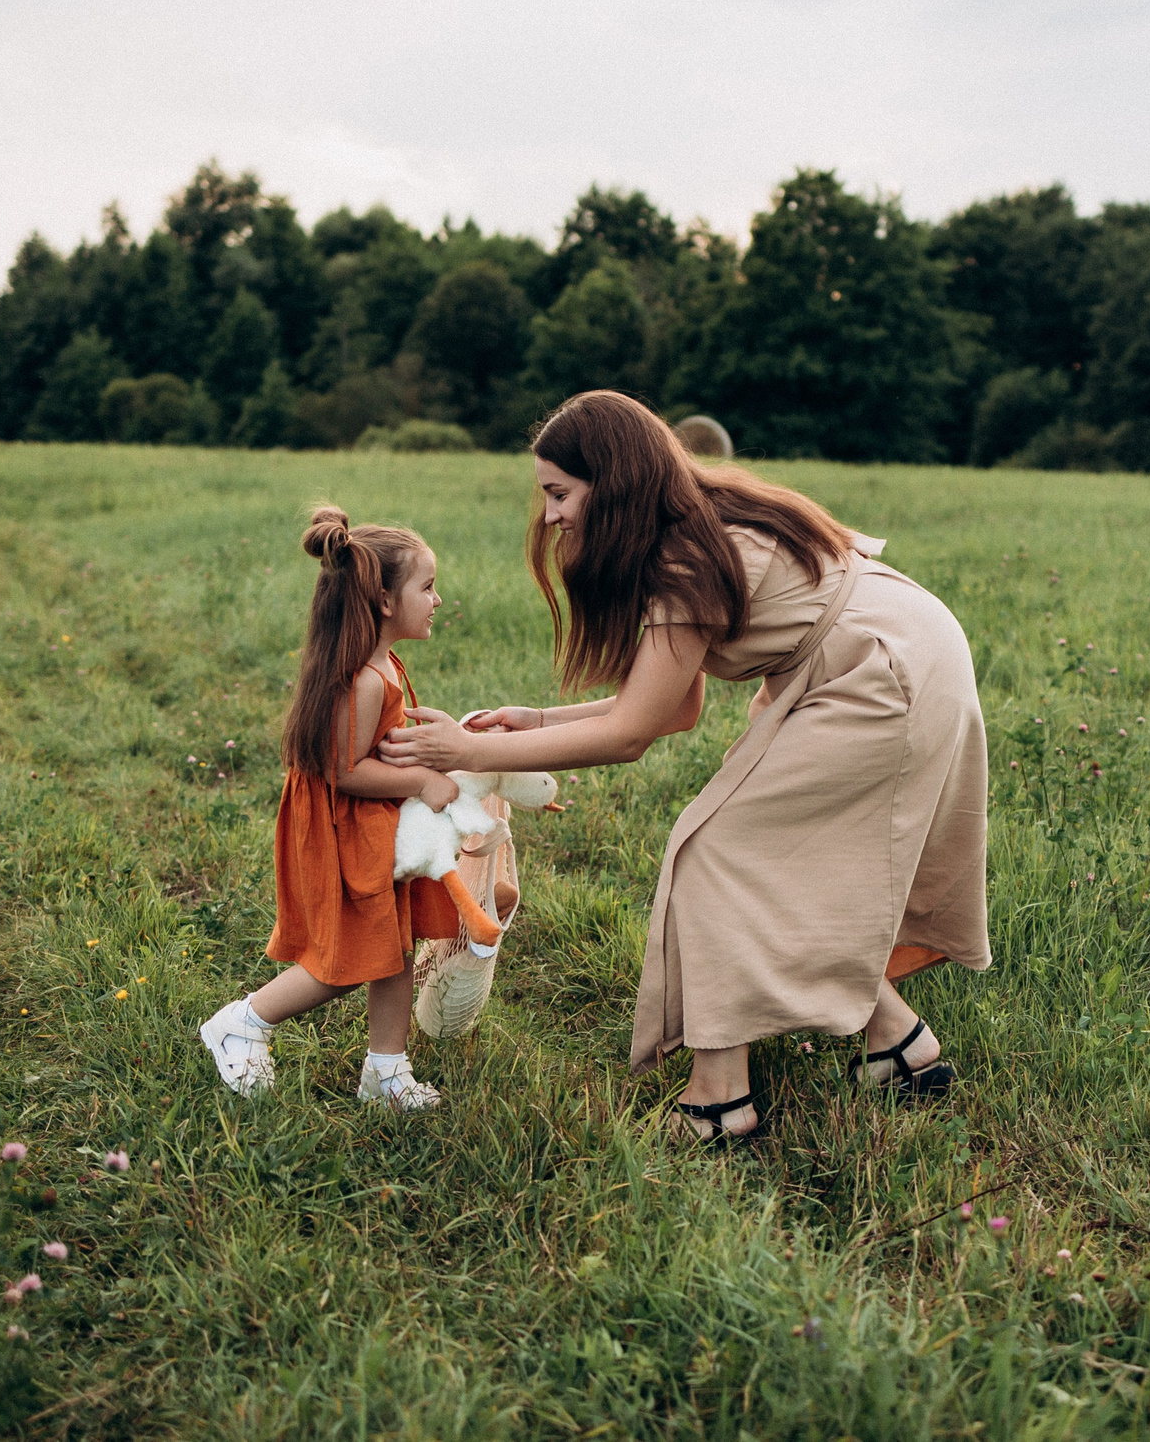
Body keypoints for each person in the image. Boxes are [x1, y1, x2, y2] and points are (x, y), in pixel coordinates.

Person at [379, 391, 990, 1142]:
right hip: (896, 650)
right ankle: (898, 1047)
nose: (550, 517)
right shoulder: (687, 524)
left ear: (613, 481)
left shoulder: (684, 554)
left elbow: (632, 732)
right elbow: (674, 707)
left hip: (880, 675)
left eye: (559, 494)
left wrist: (469, 751)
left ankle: (719, 1102)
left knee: (715, 852)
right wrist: (534, 721)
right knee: (772, 857)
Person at [199, 506, 482, 1110]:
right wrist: (421, 785)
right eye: (427, 588)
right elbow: (344, 770)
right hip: (342, 829)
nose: (437, 599)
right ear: (383, 601)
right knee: (348, 957)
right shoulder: (366, 681)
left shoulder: (384, 666)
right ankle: (243, 1021)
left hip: (373, 828)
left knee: (397, 946)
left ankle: (386, 1070)